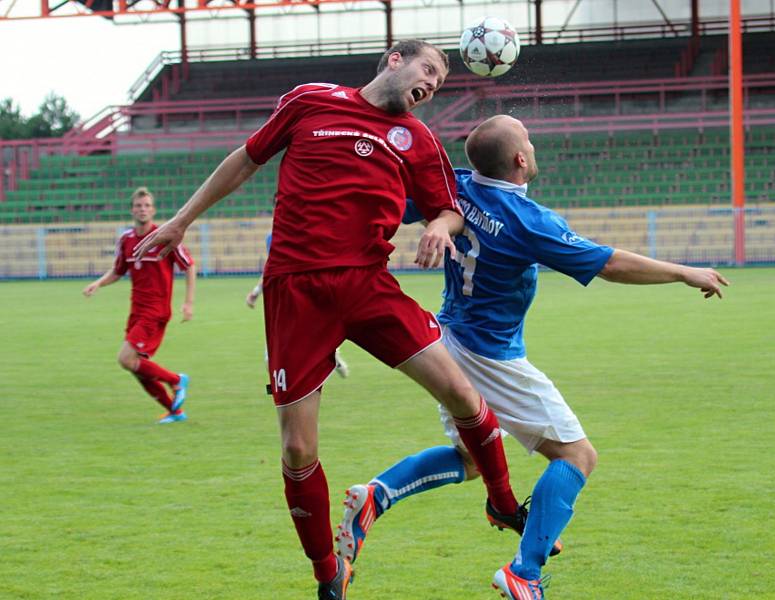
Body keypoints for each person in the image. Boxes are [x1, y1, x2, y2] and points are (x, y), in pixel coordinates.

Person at [132, 41, 523, 599]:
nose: (433, 84)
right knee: (297, 449)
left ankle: (503, 503)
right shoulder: (310, 101)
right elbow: (246, 157)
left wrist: (440, 227)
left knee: (463, 395)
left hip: (368, 285)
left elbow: (448, 209)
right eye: (429, 69)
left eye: (439, 81)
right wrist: (180, 221)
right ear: (395, 59)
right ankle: (327, 573)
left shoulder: (418, 139)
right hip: (294, 291)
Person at [335, 115, 730, 599]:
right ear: (521, 159)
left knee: (473, 457)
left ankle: (377, 493)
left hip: (448, 338)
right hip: (491, 355)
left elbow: (398, 203)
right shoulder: (527, 222)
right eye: (527, 138)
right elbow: (609, 263)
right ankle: (524, 571)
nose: (533, 143)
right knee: (577, 456)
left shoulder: (455, 186)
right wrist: (684, 272)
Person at [83, 187, 196, 424]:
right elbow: (118, 271)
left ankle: (176, 380)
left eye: (146, 205)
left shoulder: (166, 235)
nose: (142, 209)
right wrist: (98, 284)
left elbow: (189, 265)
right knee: (137, 366)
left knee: (126, 359)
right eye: (138, 205)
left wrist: (188, 303)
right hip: (136, 311)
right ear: (132, 209)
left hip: (155, 311)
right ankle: (175, 412)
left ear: (153, 210)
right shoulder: (126, 239)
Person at [246, 232, 350, 381]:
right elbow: (271, 268)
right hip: (287, 301)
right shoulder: (274, 237)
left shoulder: (304, 235)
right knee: (276, 356)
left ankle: (328, 359)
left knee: (277, 355)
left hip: (301, 298)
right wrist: (255, 292)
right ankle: (330, 357)